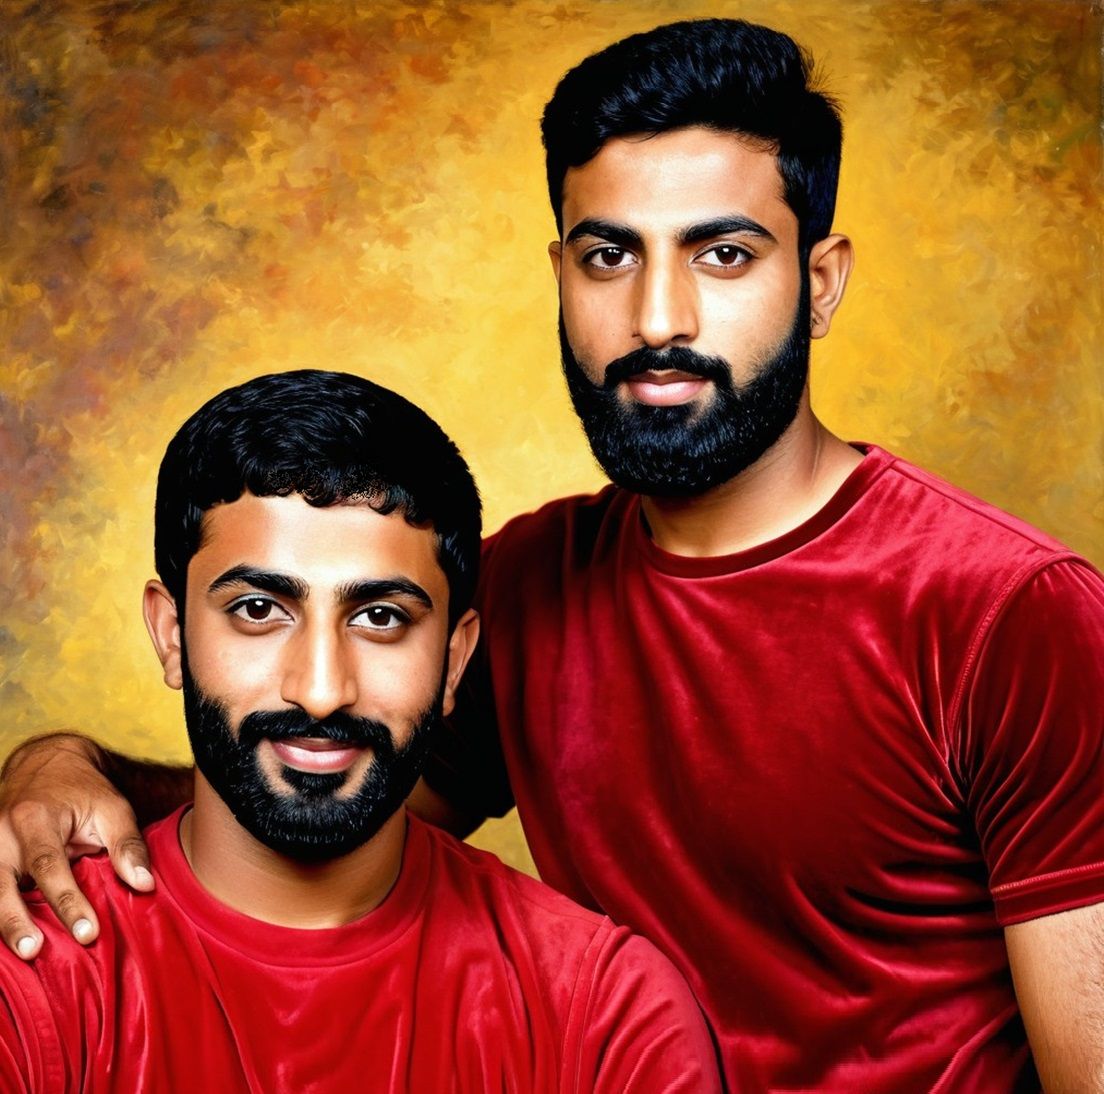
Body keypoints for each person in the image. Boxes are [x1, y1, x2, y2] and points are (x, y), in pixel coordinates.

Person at [1, 16, 1102, 1093]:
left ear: (819, 282)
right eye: (609, 254)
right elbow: (310, 787)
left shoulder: (1015, 615)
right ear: (562, 273)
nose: (656, 315)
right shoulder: (529, 586)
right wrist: (61, 767)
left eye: (723, 253)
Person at [0, 370, 720, 1092]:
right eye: (258, 609)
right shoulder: (29, 977)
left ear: (454, 662)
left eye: (380, 618)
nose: (320, 690)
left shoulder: (608, 1017)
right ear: (172, 635)